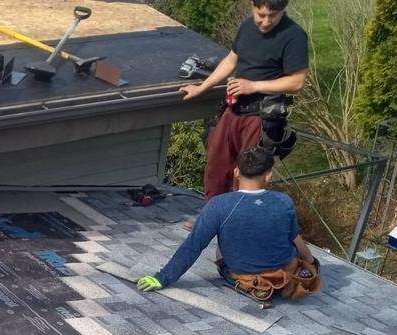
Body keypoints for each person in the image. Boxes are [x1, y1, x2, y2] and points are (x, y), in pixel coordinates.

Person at [136, 148, 321, 301]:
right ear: (268, 176)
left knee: (221, 245)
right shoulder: (284, 201)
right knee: (283, 237)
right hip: (285, 277)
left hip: (244, 277)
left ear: (236, 172)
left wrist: (161, 278)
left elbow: (193, 246)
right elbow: (294, 237)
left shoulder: (219, 204)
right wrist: (311, 263)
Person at [180, 0, 309, 201]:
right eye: (261, 14)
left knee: (249, 173)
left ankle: (239, 219)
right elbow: (230, 61)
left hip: (261, 117)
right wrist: (201, 88)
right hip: (233, 109)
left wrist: (254, 86)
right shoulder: (247, 27)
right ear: (252, 5)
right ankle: (212, 214)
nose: (266, 22)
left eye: (273, 15)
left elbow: (297, 81)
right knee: (216, 164)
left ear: (284, 10)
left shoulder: (294, 36)